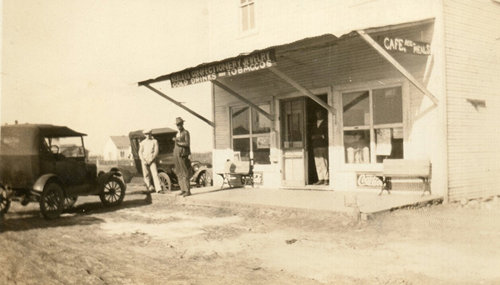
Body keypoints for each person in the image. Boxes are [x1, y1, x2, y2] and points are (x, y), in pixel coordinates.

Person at [173, 117, 192, 196]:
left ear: (182, 124)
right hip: (177, 155)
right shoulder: (178, 133)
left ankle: (187, 191)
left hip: (183, 155)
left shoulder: (185, 132)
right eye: (177, 125)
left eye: (179, 124)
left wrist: (177, 142)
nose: (178, 126)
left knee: (185, 173)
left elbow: (187, 144)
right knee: (179, 172)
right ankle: (183, 189)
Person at [139, 129, 161, 193]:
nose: (147, 135)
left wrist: (152, 159)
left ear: (151, 133)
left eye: (149, 133)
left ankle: (158, 189)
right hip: (144, 160)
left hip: (152, 160)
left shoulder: (154, 141)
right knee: (146, 175)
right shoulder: (142, 143)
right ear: (144, 135)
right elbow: (140, 152)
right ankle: (149, 188)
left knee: (155, 174)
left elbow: (156, 151)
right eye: (146, 134)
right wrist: (143, 160)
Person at [311, 109, 329, 185]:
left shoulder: (326, 123)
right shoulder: (314, 124)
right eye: (317, 113)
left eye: (320, 113)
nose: (318, 114)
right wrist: (318, 136)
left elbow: (325, 135)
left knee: (324, 162)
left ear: (322, 114)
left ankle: (326, 179)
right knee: (318, 163)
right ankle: (320, 178)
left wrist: (318, 136)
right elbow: (311, 135)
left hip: (323, 145)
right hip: (315, 145)